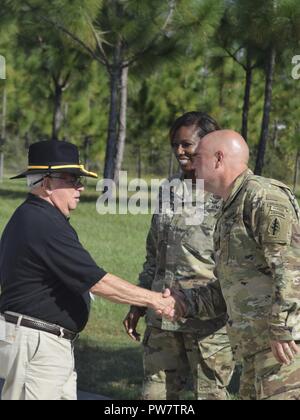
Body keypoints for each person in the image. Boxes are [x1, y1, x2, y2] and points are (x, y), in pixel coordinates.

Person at [0, 139, 178, 401]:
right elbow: (97, 281)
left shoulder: (38, 217)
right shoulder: (41, 223)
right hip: (36, 346)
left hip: (44, 345)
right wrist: (156, 301)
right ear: (47, 184)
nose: (80, 187)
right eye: (71, 179)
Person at [172, 129, 300, 400]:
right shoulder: (230, 206)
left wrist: (283, 329)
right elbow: (235, 285)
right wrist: (185, 301)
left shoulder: (262, 197)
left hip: (283, 352)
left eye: (198, 157)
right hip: (257, 353)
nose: (192, 164)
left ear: (218, 159)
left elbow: (291, 268)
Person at [123, 112, 234, 400]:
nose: (179, 151)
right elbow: (153, 254)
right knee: (154, 398)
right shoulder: (168, 189)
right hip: (162, 322)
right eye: (175, 144)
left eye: (186, 144)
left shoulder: (227, 195)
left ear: (209, 145)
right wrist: (139, 302)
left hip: (208, 327)